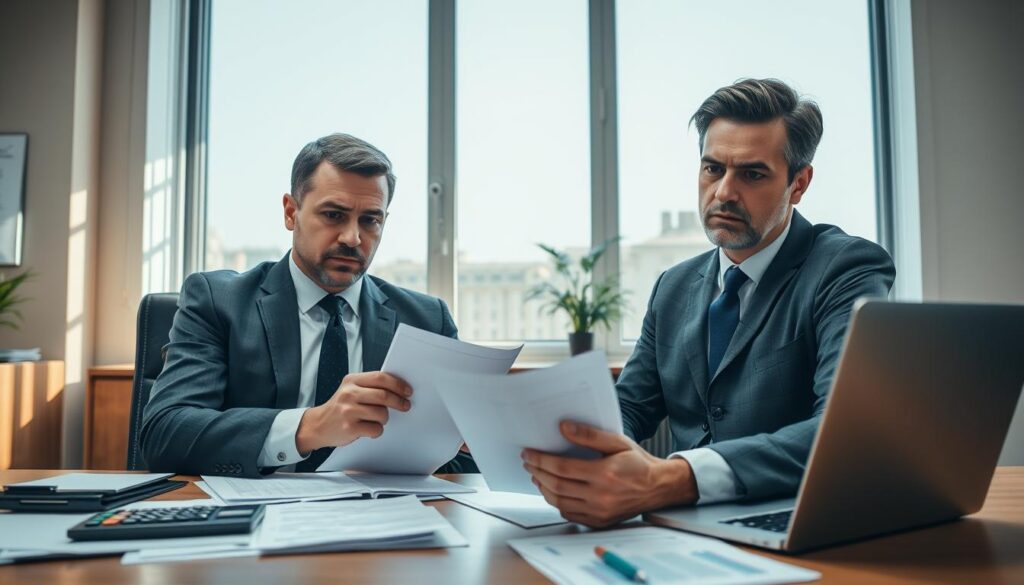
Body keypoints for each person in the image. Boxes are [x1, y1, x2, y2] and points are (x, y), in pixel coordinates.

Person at [521, 78, 895, 527]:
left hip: (797, 521)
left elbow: (842, 428)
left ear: (799, 183)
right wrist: (573, 453)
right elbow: (630, 407)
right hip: (678, 528)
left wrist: (671, 478)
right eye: (713, 169)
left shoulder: (844, 267)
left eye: (752, 174)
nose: (723, 193)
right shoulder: (673, 287)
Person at [141, 133, 476, 477]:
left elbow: (460, 463)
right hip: (256, 513)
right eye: (333, 215)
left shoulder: (427, 319)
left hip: (383, 516)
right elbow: (165, 434)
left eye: (370, 220)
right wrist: (310, 427)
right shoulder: (218, 301)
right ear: (291, 212)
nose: (352, 238)